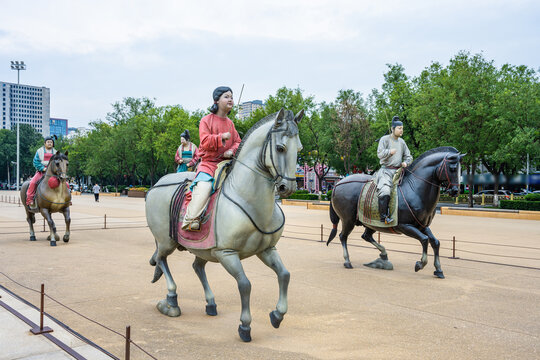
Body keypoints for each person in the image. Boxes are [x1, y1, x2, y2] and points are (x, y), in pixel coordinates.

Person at [182, 86, 241, 231]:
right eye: (226, 96)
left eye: (232, 97)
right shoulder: (206, 120)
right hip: (208, 165)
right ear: (216, 100)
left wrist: (231, 150)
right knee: (204, 187)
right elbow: (204, 141)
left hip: (227, 165)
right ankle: (190, 219)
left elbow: (238, 141)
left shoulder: (231, 124)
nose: (230, 99)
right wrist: (221, 137)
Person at [375, 116, 413, 224]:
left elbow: (409, 156)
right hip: (386, 171)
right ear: (393, 129)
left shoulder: (402, 142)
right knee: (385, 191)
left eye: (402, 128)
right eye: (399, 128)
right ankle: (384, 217)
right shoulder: (384, 139)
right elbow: (380, 154)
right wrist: (389, 152)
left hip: (399, 172)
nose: (401, 130)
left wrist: (406, 162)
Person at [26, 136, 57, 209]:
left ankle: (66, 199)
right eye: (48, 142)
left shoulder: (55, 152)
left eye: (51, 142)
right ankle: (30, 199)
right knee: (33, 182)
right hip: (41, 172)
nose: (50, 143)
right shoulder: (39, 151)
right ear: (44, 143)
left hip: (53, 173)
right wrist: (42, 168)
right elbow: (35, 161)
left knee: (64, 182)